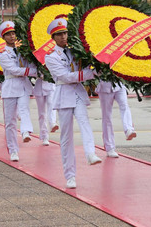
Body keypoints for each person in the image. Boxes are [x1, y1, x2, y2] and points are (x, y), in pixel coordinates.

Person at [44, 18, 102, 189]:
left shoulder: (75, 51)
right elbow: (65, 77)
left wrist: (97, 68)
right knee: (66, 137)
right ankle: (70, 175)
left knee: (85, 122)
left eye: (65, 33)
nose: (63, 37)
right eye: (59, 34)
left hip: (77, 93)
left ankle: (91, 153)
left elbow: (84, 67)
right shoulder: (51, 57)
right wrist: (88, 74)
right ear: (53, 37)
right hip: (63, 95)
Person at [0, 21, 38, 162]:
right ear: (4, 37)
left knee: (24, 109)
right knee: (10, 121)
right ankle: (13, 150)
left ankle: (26, 131)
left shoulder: (23, 50)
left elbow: (30, 63)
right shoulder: (2, 54)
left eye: (13, 33)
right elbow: (13, 70)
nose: (12, 36)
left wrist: (37, 70)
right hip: (10, 86)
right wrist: (33, 72)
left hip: (23, 85)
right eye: (8, 34)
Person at [95, 80, 136, 158]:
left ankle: (129, 129)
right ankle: (110, 148)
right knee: (107, 117)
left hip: (119, 84)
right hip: (104, 87)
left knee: (124, 105)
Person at [32, 74, 56, 146]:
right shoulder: (37, 63)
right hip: (39, 86)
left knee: (51, 104)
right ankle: (44, 135)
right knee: (42, 113)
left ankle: (53, 123)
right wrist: (38, 74)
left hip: (50, 85)